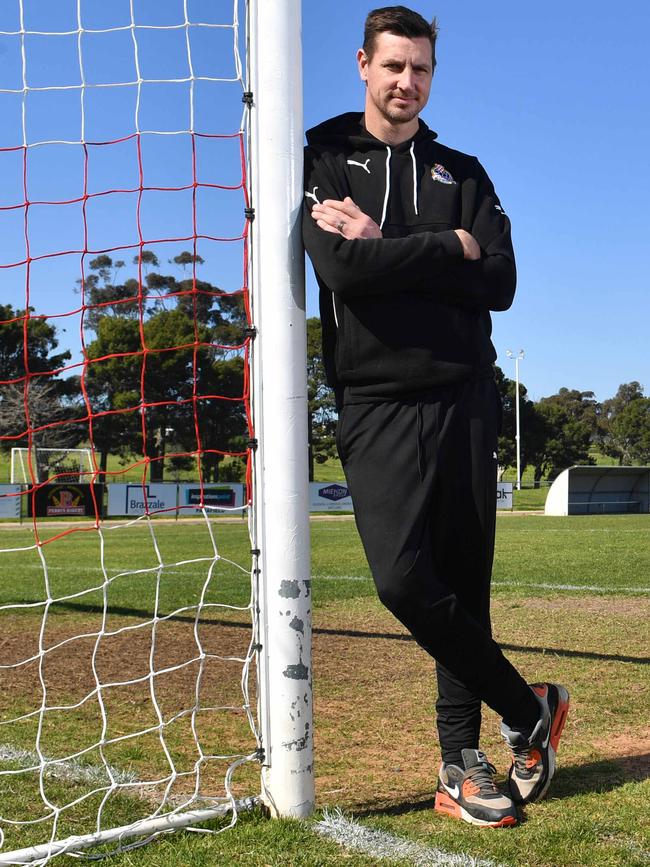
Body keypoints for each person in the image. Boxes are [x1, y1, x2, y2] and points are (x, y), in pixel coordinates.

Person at [302, 5, 569, 828]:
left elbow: (500, 284)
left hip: (464, 395)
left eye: (420, 69)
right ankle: (529, 707)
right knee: (403, 581)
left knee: (464, 587)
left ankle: (463, 764)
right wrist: (446, 247)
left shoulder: (466, 170)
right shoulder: (323, 153)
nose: (406, 82)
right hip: (376, 401)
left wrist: (396, 244)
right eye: (393, 66)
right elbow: (343, 267)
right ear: (362, 64)